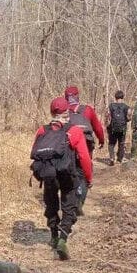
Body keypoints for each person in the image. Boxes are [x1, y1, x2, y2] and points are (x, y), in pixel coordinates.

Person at [30, 97, 92, 261]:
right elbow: (84, 158)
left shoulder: (42, 130)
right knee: (69, 204)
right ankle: (63, 238)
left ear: (51, 112)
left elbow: (36, 152)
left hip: (48, 173)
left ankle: (53, 235)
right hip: (66, 173)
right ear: (68, 112)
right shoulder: (74, 131)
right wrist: (88, 177)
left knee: (51, 202)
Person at [63, 86, 103, 214]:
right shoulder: (88, 110)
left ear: (66, 97)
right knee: (84, 172)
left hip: (68, 145)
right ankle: (79, 202)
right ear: (78, 96)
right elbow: (97, 127)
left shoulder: (63, 111)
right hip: (86, 145)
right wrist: (101, 140)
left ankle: (69, 201)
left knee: (69, 171)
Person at [105, 90, 130, 165]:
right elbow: (129, 117)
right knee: (121, 143)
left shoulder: (111, 106)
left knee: (111, 144)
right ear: (123, 97)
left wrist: (107, 126)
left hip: (113, 128)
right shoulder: (126, 107)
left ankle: (112, 158)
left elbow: (107, 117)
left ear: (115, 97)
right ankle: (120, 159)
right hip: (122, 128)